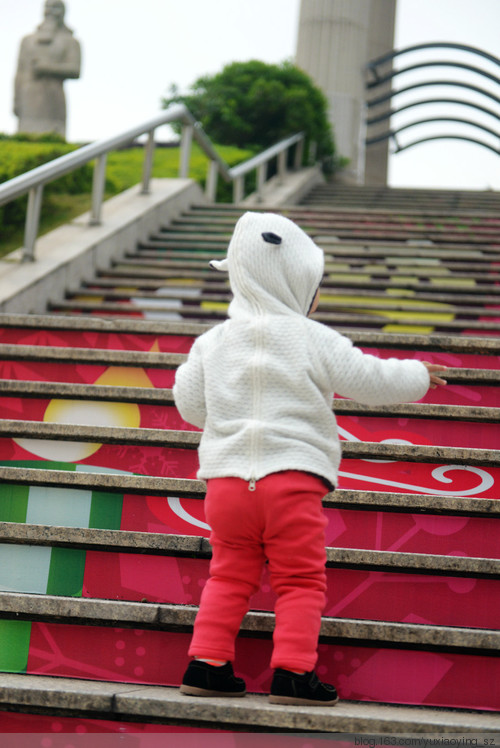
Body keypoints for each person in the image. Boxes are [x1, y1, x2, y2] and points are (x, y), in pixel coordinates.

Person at [173, 211, 447, 706]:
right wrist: (420, 374)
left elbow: (191, 405)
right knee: (299, 579)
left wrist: (231, 421)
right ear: (295, 283)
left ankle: (207, 663)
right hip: (292, 480)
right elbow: (372, 381)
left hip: (227, 484)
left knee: (229, 572)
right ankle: (293, 675)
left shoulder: (211, 342)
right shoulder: (311, 337)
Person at [14, 0, 81, 138]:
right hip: (28, 95)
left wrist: (47, 67)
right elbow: (19, 73)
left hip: (53, 97)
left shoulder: (71, 42)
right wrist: (16, 100)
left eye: (56, 7)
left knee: (52, 135)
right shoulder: (27, 41)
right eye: (48, 7)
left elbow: (75, 69)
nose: (51, 11)